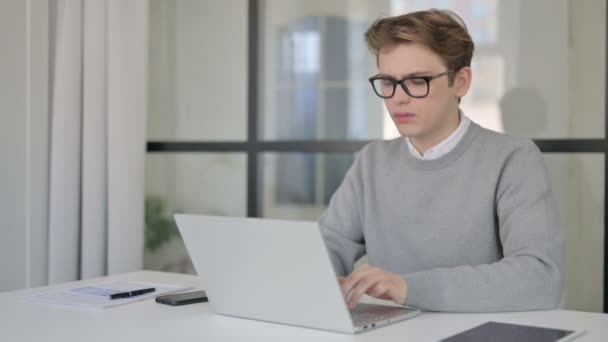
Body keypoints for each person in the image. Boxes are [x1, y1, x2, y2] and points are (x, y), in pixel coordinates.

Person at [319, 9, 564, 312]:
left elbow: (540, 277)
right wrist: (320, 280)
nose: (398, 98)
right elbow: (325, 248)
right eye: (387, 82)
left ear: (460, 82)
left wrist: (408, 287)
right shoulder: (372, 162)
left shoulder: (513, 159)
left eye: (417, 81)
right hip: (392, 333)